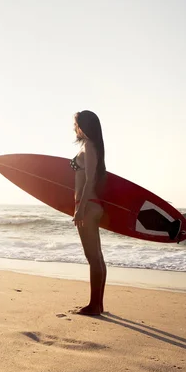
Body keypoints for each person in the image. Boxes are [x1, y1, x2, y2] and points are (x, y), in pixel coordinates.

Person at [70, 110, 108, 315]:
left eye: (75, 124)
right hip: (91, 204)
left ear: (83, 126)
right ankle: (98, 304)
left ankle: (94, 305)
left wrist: (80, 208)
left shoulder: (89, 147)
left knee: (92, 257)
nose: (73, 128)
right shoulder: (91, 146)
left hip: (89, 205)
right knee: (97, 257)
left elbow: (91, 179)